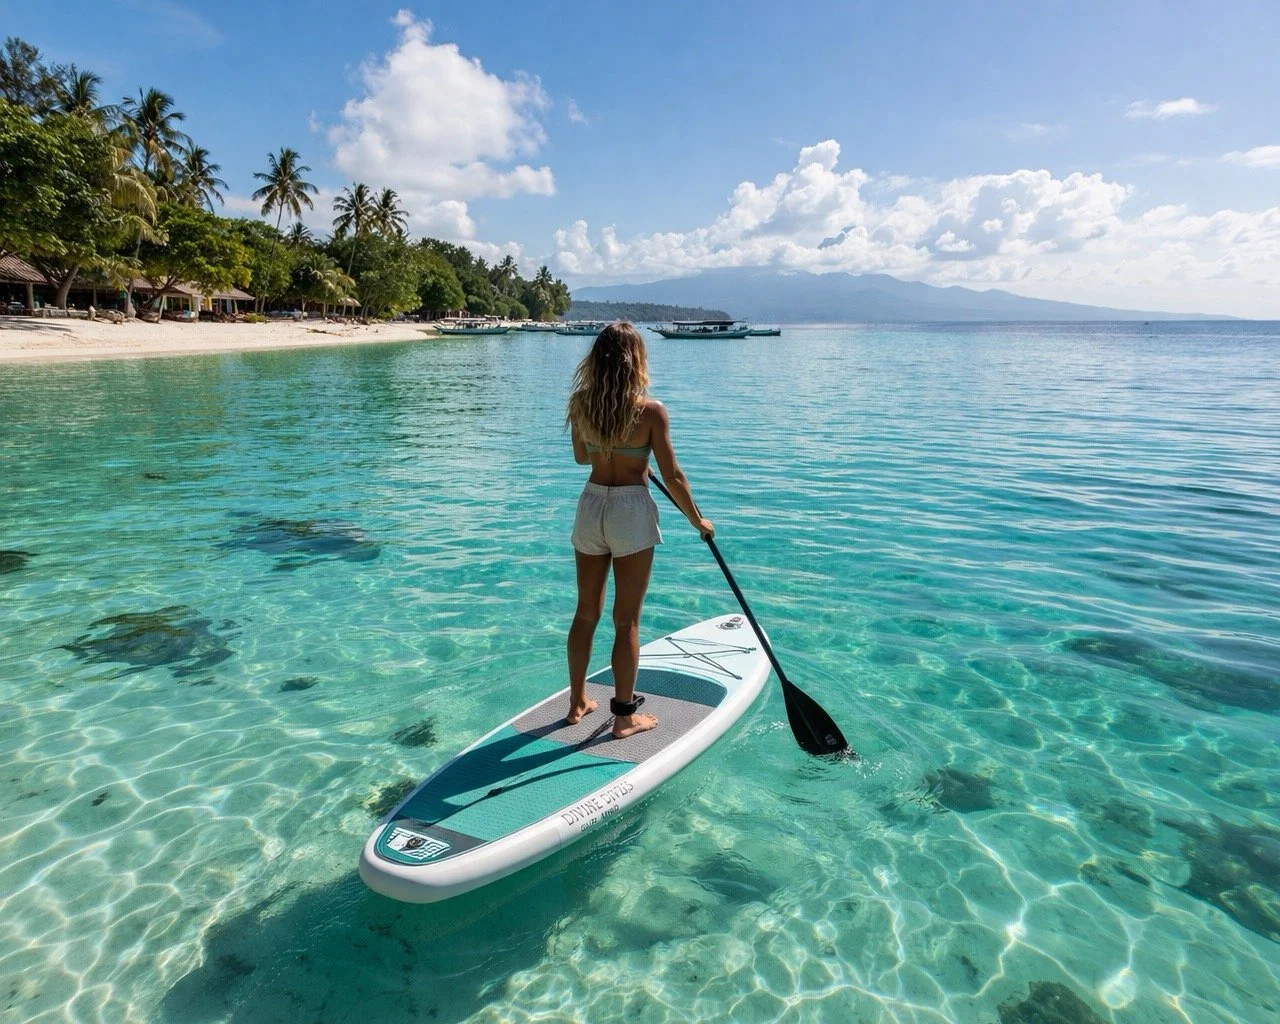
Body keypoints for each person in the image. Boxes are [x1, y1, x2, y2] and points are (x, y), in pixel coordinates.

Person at [565, 322, 714, 738]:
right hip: (630, 509)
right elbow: (674, 476)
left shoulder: (580, 403)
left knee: (585, 613)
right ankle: (625, 715)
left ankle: (577, 701)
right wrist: (697, 520)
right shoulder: (650, 412)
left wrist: (614, 452)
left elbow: (583, 458)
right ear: (636, 361)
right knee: (626, 620)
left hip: (591, 503)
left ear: (597, 359)